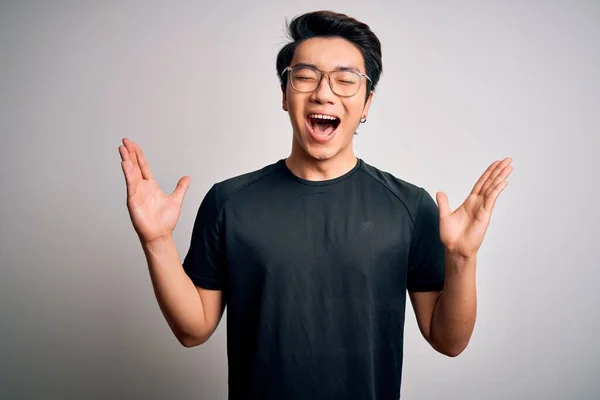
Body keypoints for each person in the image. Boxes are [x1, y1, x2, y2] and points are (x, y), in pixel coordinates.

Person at [118, 10, 512, 400]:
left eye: (345, 81)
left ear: (367, 103)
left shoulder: (409, 206)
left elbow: (449, 341)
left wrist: (462, 258)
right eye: (305, 77)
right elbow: (193, 329)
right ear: (285, 96)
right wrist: (156, 242)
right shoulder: (229, 202)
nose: (324, 93)